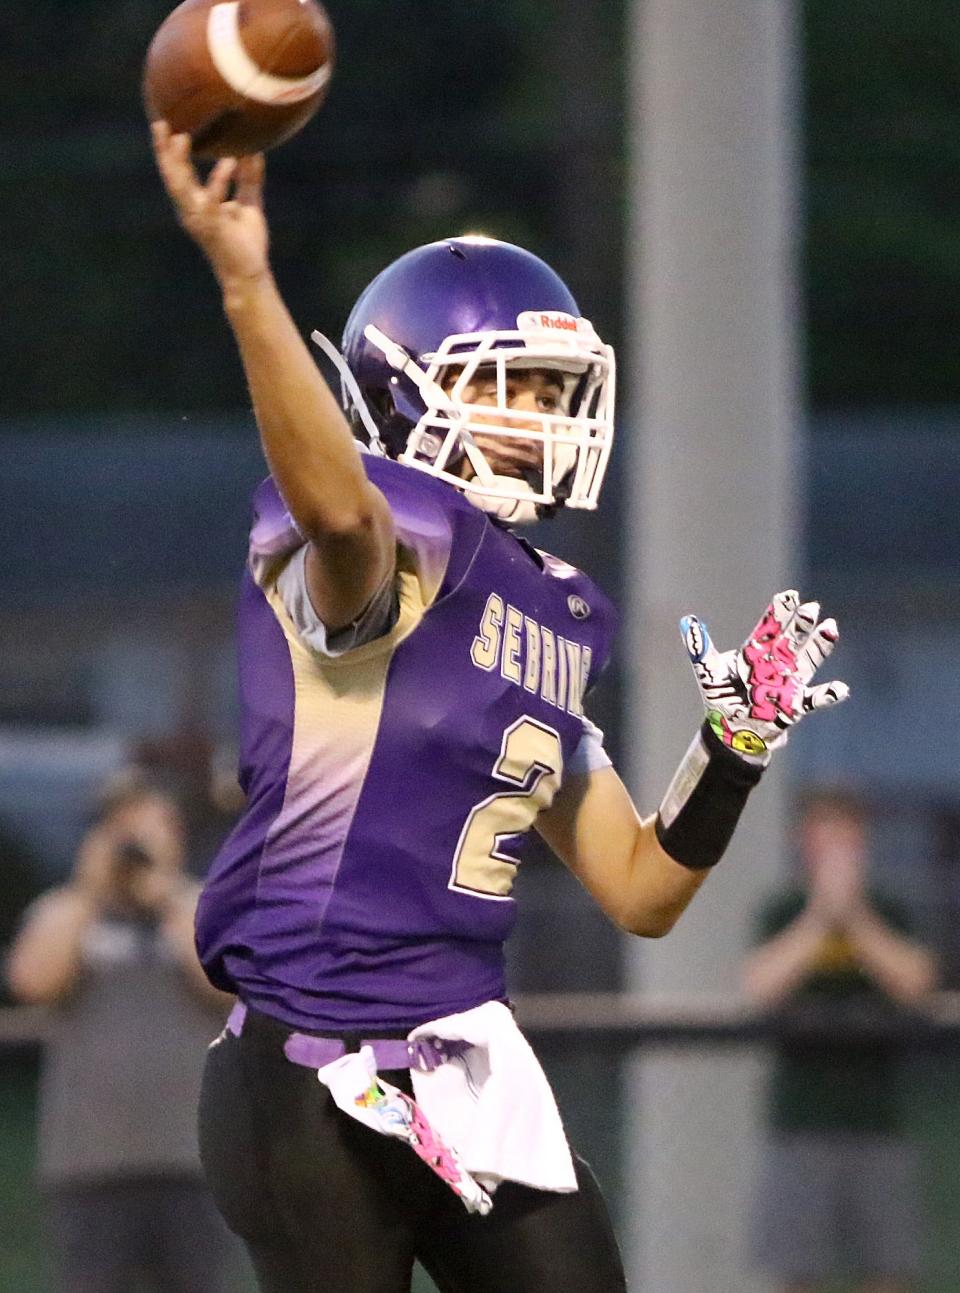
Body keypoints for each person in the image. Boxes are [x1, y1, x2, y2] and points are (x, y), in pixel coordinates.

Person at [150, 121, 850, 1293]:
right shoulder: (383, 533)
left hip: (470, 1057)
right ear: (402, 385)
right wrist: (244, 281)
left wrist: (729, 755)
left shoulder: (559, 606)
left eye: (552, 387)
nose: (542, 413)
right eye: (511, 385)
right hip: (311, 1074)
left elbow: (640, 891)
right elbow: (339, 517)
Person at [5, 769, 235, 1293]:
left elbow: (225, 984)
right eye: (121, 829)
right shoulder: (63, 911)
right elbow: (32, 982)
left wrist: (167, 891)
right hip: (90, 1169)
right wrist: (90, 889)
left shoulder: (202, 909)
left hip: (194, 1165)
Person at [744, 788, 938, 1293]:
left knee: (888, 1271)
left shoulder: (889, 911)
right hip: (800, 1123)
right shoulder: (783, 911)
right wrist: (820, 917)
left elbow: (916, 983)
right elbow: (760, 987)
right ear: (802, 842)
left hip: (878, 1124)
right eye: (823, 836)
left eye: (846, 838)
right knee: (797, 1274)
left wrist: (853, 917)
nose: (835, 850)